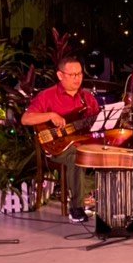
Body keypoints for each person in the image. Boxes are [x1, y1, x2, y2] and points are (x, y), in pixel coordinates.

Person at [21, 55, 101, 222]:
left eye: (79, 74)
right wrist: (51, 115)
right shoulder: (47, 96)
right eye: (72, 75)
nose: (77, 78)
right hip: (57, 147)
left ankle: (108, 201)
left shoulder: (87, 97)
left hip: (84, 143)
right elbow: (25, 119)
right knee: (77, 157)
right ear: (60, 75)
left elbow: (100, 122)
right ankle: (77, 208)